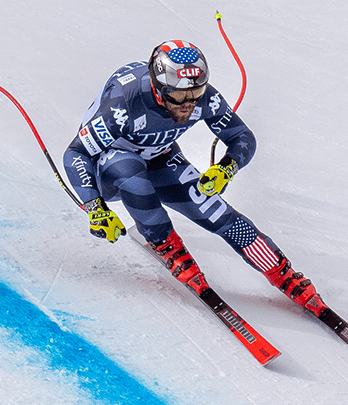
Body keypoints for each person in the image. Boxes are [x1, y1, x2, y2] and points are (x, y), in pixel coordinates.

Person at [63, 40, 327, 316]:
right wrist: (95, 207)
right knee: (128, 170)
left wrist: (226, 168)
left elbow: (242, 137)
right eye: (179, 96)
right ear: (158, 88)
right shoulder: (124, 103)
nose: (189, 103)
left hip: (160, 157)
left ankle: (280, 270)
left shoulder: (203, 98)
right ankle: (167, 245)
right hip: (108, 168)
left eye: (196, 91)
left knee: (215, 211)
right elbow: (76, 153)